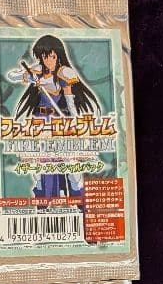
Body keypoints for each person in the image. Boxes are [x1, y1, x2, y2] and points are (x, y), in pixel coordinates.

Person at [7, 34, 100, 199]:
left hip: (60, 121)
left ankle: (77, 196)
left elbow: (70, 102)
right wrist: (30, 77)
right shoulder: (38, 69)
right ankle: (43, 197)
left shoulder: (64, 72)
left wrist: (75, 122)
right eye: (45, 57)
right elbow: (12, 76)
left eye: (52, 56)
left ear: (58, 55)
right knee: (39, 163)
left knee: (71, 163)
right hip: (40, 122)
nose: (48, 60)